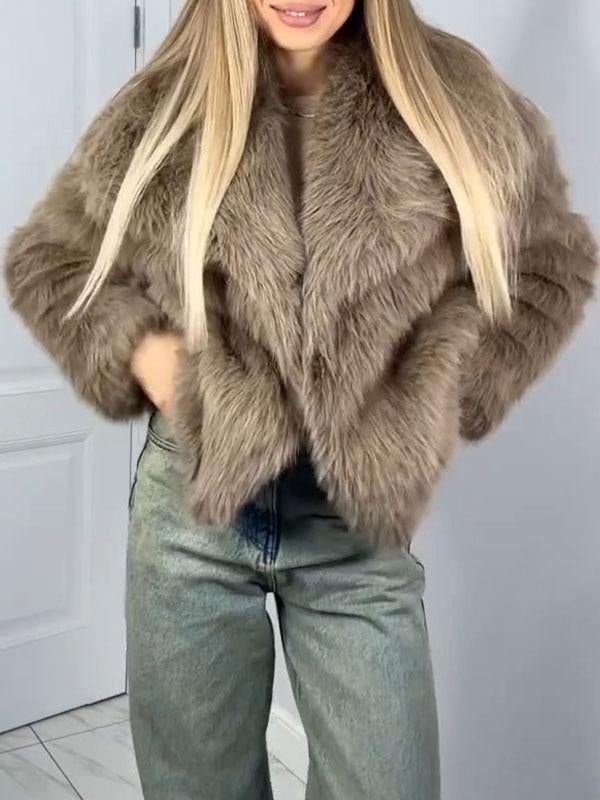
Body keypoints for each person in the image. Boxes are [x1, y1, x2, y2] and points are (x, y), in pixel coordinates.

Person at [3, 1, 598, 798]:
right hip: (192, 517)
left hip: (356, 531)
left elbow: (553, 265)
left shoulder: (455, 94)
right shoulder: (168, 102)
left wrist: (442, 383)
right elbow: (50, 260)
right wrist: (151, 358)